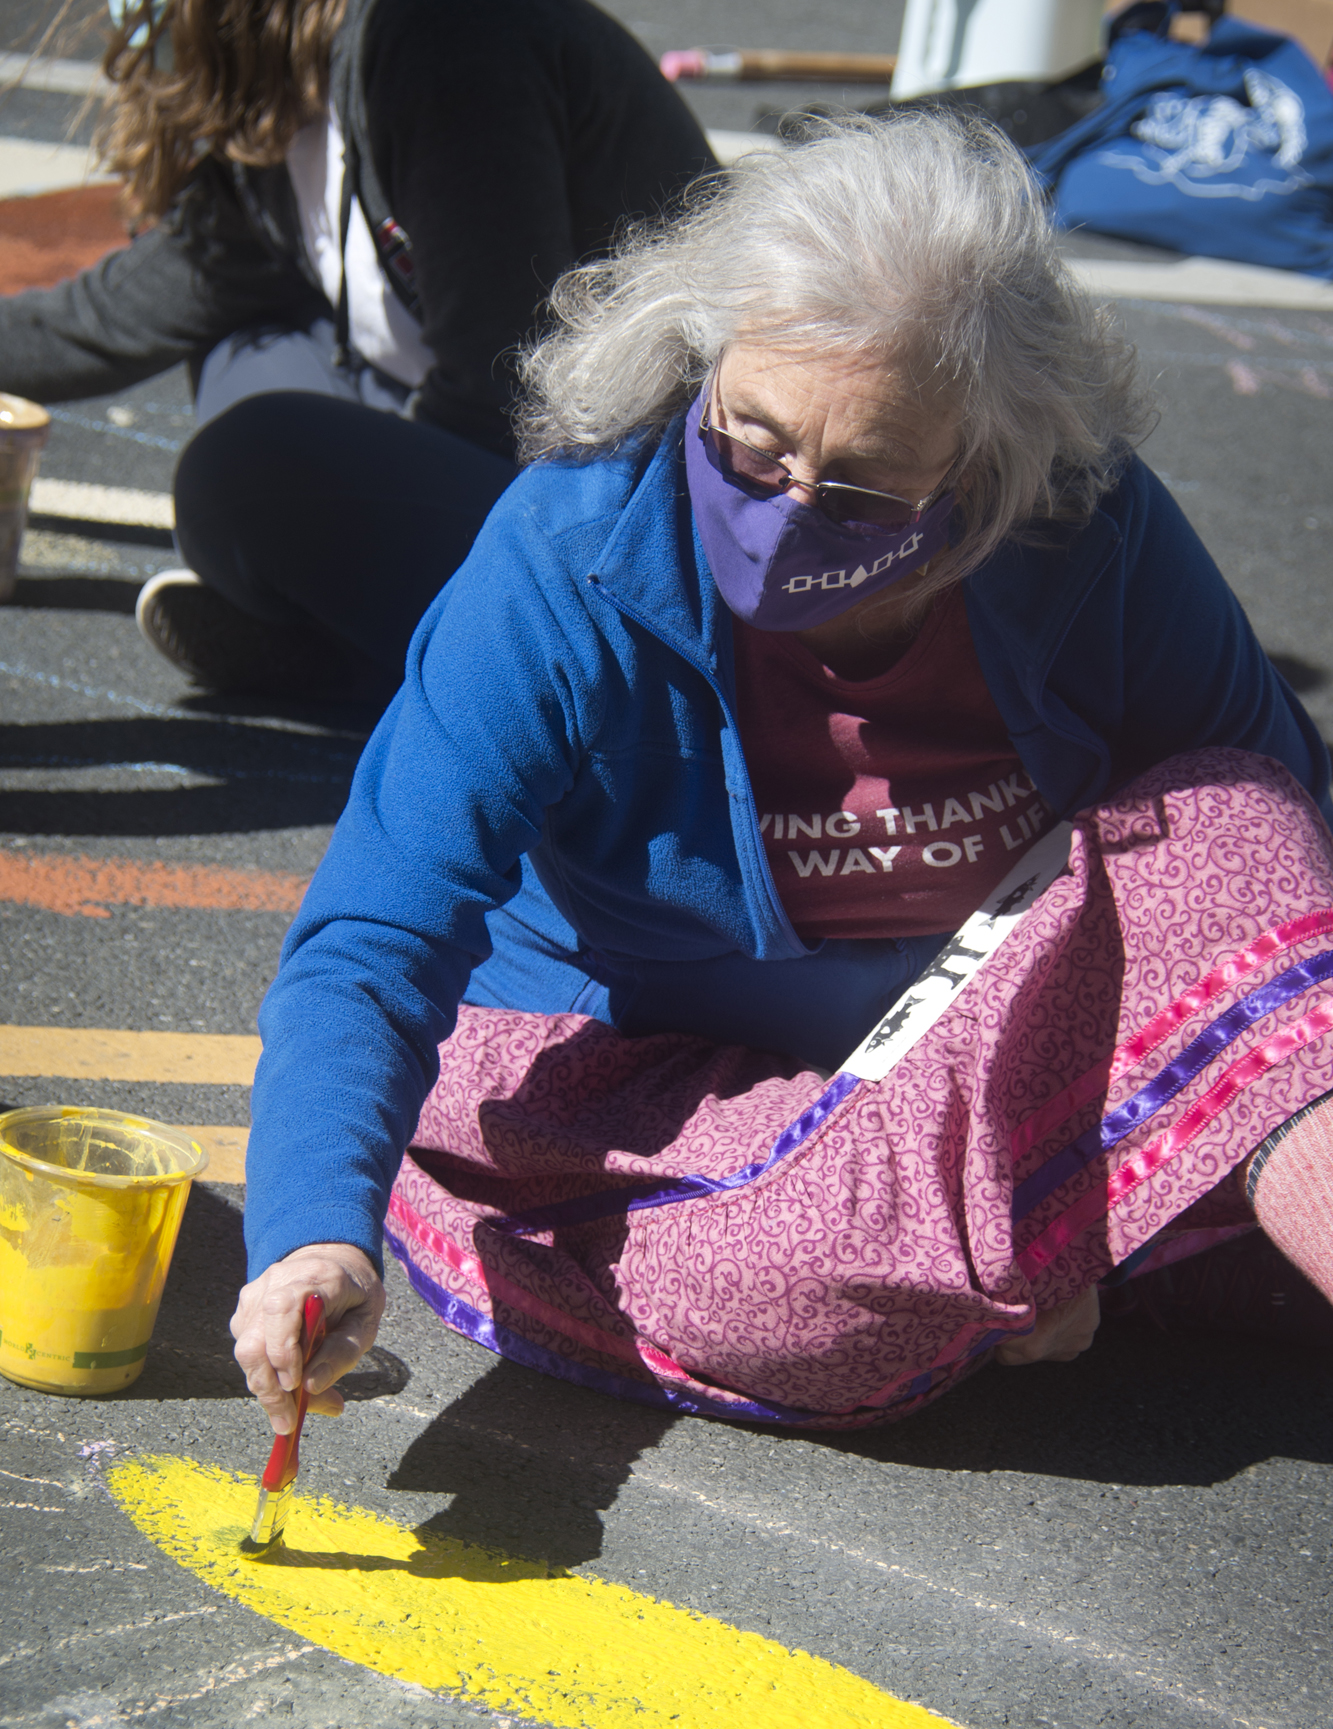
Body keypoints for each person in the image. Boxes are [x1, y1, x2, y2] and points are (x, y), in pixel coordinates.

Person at [229, 110, 1333, 1438]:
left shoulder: (1080, 532)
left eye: (864, 490)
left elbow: (1272, 863)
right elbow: (373, 933)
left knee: (1243, 825)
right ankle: (1100, 1230)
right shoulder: (567, 559)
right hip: (655, 1098)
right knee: (752, 1279)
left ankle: (1046, 1240)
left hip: (987, 1052)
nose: (787, 509)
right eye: (750, 444)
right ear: (698, 363)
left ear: (986, 470)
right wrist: (307, 1237)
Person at [0, 0, 714, 700]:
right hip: (531, 461)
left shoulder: (446, 37)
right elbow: (106, 317)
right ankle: (363, 628)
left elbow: (508, 387)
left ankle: (413, 664)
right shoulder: (285, 125)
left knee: (244, 469)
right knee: (240, 342)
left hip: (651, 527)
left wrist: (331, 529)